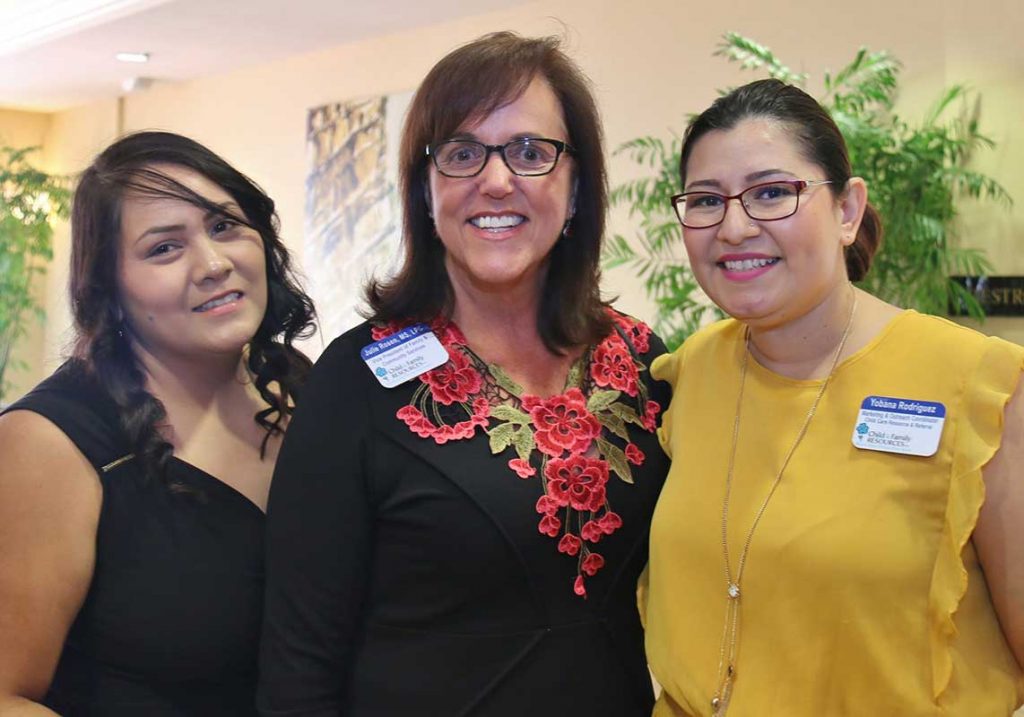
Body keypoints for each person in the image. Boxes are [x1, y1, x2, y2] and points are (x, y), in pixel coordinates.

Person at [258, 32, 669, 716]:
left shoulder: (643, 364)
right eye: (462, 153)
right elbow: (299, 658)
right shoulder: (356, 381)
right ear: (425, 191)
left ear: (576, 189)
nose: (497, 180)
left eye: (532, 153)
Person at [644, 78, 1024, 716]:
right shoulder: (689, 373)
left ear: (847, 210)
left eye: (771, 193)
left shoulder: (978, 385)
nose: (734, 226)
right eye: (707, 201)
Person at [0, 131, 315, 715]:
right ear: (109, 288)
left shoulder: (296, 384)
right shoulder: (47, 444)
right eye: (164, 249)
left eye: (224, 226)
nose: (214, 264)